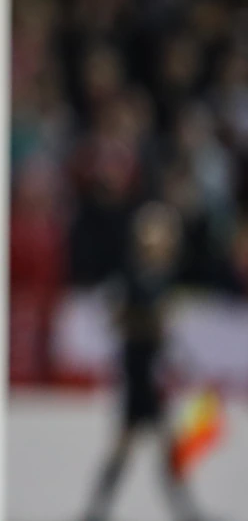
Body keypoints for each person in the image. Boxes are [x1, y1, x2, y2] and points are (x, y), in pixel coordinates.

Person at [80, 201, 205, 521]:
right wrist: (151, 323)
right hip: (138, 371)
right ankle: (100, 510)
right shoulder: (132, 275)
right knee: (144, 447)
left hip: (150, 371)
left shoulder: (161, 275)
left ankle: (99, 510)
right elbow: (117, 318)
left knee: (147, 447)